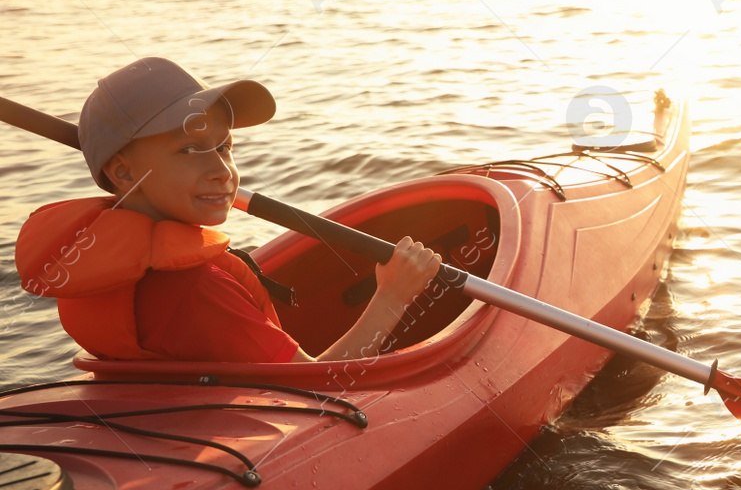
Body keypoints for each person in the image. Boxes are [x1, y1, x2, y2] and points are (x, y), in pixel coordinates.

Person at [14, 57, 440, 363]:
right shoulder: (197, 292)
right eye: (190, 149)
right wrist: (393, 297)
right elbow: (320, 390)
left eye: (224, 147)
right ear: (123, 173)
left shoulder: (90, 255)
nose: (221, 170)